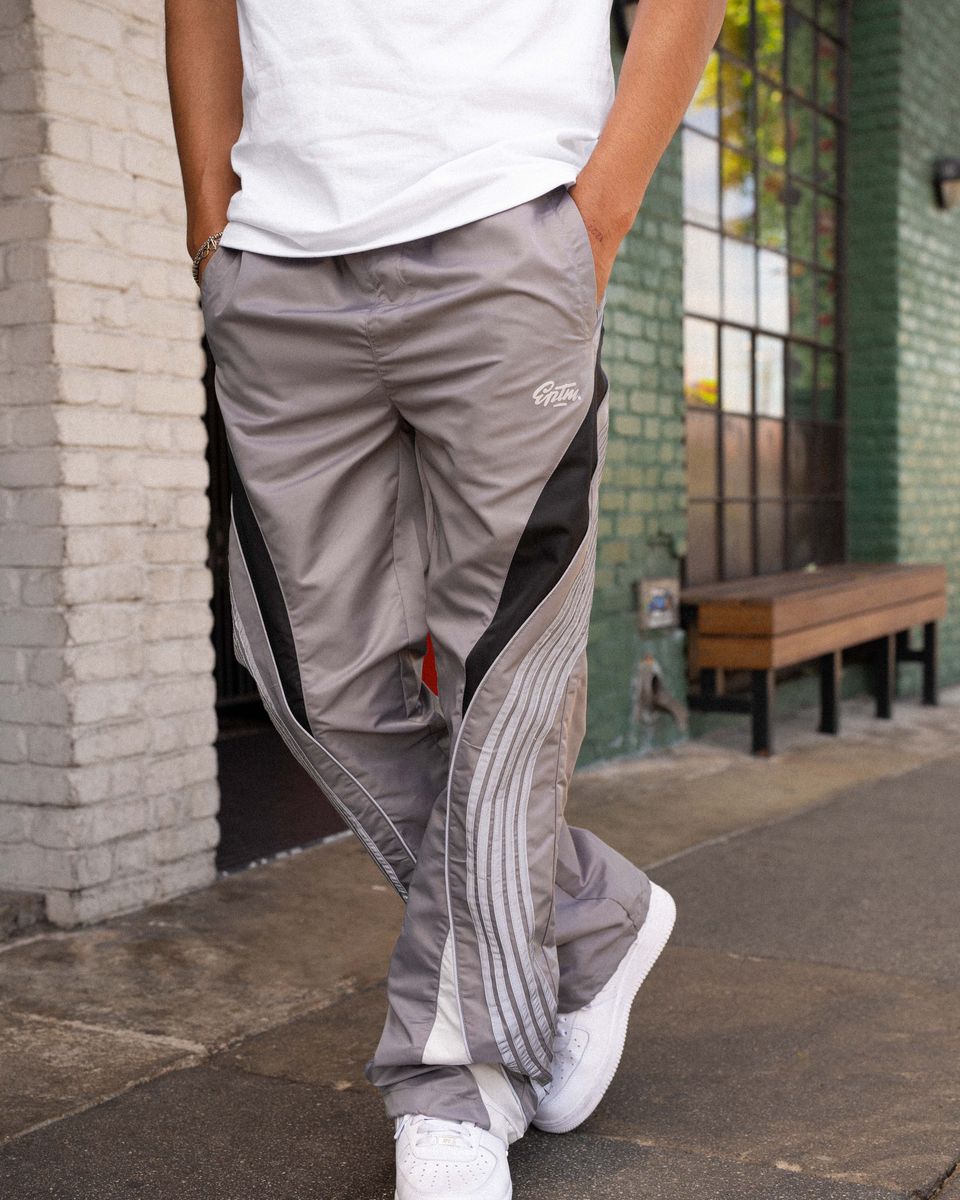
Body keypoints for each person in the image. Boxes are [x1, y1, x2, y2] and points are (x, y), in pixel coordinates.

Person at [165, 1, 725, 1195]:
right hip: (275, 267)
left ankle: (453, 1085)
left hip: (507, 233)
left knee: (503, 686)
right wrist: (211, 232)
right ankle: (584, 913)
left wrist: (601, 209)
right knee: (314, 683)